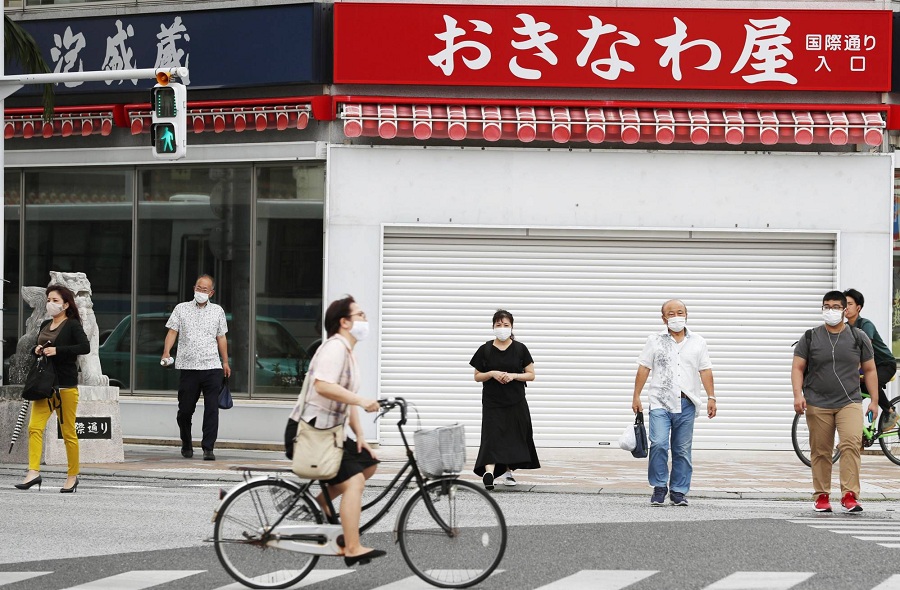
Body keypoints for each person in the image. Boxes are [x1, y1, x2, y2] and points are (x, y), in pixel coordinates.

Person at [287, 295, 384, 566]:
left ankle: (320, 503)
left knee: (368, 463)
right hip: (309, 432)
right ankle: (352, 548)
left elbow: (344, 396)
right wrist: (362, 400)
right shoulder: (335, 348)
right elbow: (323, 385)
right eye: (360, 315)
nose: (365, 320)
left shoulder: (348, 351)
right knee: (355, 481)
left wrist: (361, 436)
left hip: (329, 432)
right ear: (344, 322)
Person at [792, 290, 879, 513]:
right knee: (821, 450)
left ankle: (850, 495)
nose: (830, 311)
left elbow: (869, 369)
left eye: (835, 307)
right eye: (826, 306)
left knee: (851, 444)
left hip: (849, 401)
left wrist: (874, 400)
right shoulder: (810, 336)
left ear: (845, 310)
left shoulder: (858, 336)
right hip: (817, 402)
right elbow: (798, 368)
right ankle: (821, 495)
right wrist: (797, 395)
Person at [632, 299, 716, 507]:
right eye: (671, 313)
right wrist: (636, 396)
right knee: (659, 444)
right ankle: (659, 487)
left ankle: (678, 491)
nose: (676, 317)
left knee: (681, 449)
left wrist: (711, 397)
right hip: (660, 400)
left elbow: (704, 370)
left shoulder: (698, 341)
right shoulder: (654, 341)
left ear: (686, 315)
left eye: (680, 312)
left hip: (687, 403)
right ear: (663, 318)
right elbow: (644, 368)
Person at [15, 285, 90, 493]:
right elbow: (37, 348)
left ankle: (72, 475)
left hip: (65, 386)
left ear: (66, 304)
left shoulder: (73, 325)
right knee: (34, 428)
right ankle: (33, 472)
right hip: (44, 386)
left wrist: (58, 350)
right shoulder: (46, 324)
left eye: (55, 300)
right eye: (49, 299)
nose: (50, 303)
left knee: (68, 433)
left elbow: (85, 347)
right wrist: (36, 349)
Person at [162, 275, 231, 461]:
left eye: (205, 290)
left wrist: (225, 362)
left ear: (212, 293)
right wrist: (166, 351)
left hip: (212, 367)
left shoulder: (218, 311)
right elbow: (172, 331)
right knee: (185, 410)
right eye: (199, 288)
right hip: (188, 367)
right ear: (194, 288)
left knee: (211, 410)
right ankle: (186, 442)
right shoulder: (181, 309)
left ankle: (208, 447)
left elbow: (221, 337)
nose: (201, 292)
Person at [470, 309, 540, 491]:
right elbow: (477, 376)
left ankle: (508, 472)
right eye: (498, 325)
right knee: (491, 436)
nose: (502, 328)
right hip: (492, 402)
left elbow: (531, 375)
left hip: (515, 401)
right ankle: (489, 473)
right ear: (493, 327)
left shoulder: (520, 349)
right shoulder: (485, 349)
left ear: (512, 327)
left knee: (513, 435)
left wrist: (514, 376)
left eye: (506, 325)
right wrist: (492, 373)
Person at [843, 288, 899, 430]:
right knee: (851, 397)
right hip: (868, 366)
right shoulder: (844, 328)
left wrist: (854, 369)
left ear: (858, 307)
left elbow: (865, 349)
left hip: (885, 364)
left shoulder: (865, 325)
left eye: (849, 304)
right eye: (844, 304)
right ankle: (858, 434)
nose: (845, 307)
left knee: (870, 383)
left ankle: (890, 412)